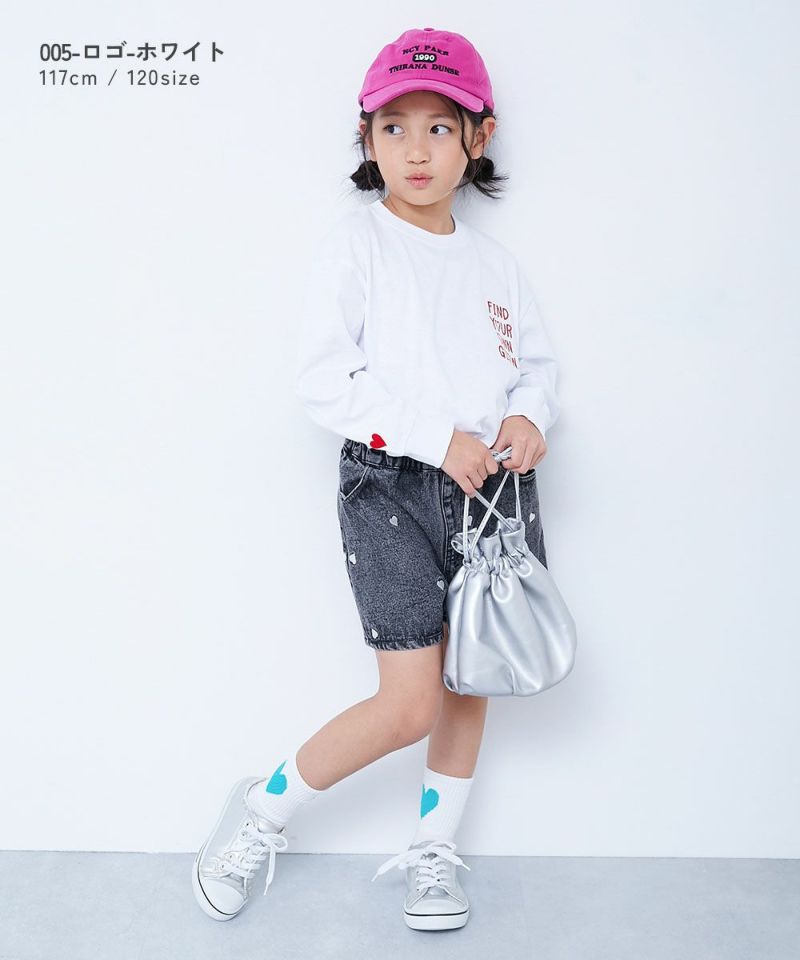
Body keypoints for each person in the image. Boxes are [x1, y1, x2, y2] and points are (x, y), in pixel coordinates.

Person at [192, 26, 561, 932]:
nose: (416, 149)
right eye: (394, 127)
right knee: (409, 703)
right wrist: (438, 439)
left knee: (473, 680)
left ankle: (434, 850)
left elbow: (535, 369)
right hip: (390, 489)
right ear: (366, 138)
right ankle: (262, 811)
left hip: (493, 496)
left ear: (479, 136)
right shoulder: (356, 247)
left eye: (439, 127)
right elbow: (325, 381)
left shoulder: (496, 266)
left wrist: (529, 417)